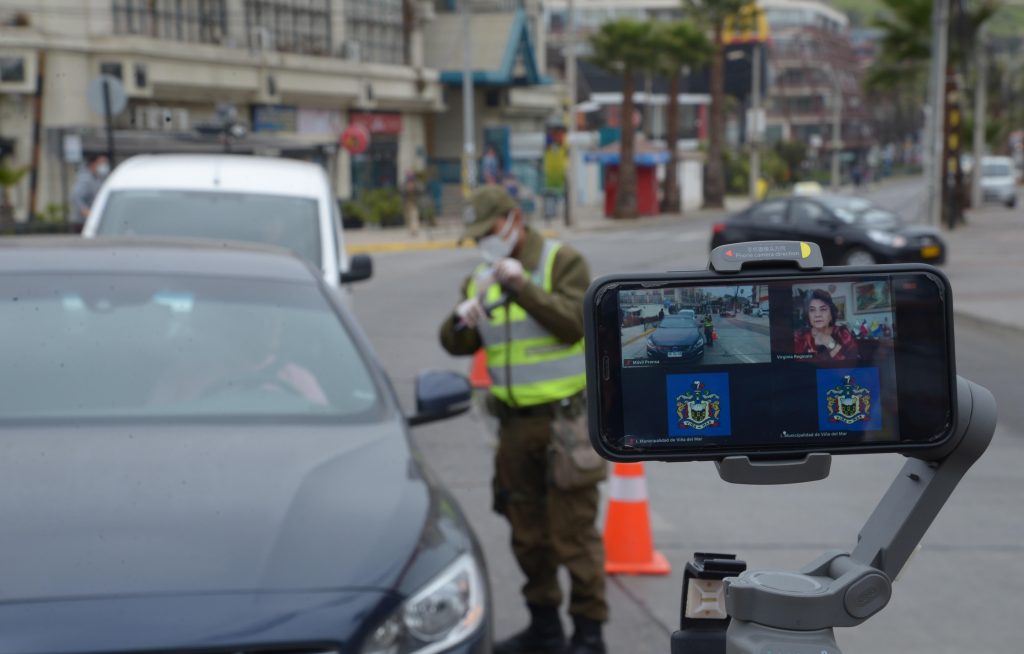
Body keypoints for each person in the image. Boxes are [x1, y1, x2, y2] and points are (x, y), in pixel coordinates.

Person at [440, 186, 607, 654]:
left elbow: (575, 322)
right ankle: (545, 629)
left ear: (513, 219)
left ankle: (590, 635)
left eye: (487, 231)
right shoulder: (480, 277)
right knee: (527, 535)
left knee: (573, 534)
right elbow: (454, 343)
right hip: (513, 427)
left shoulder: (561, 261)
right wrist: (460, 320)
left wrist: (523, 287)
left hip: (566, 425)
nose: (482, 243)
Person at [793, 289, 859, 360]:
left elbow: (852, 365)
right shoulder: (799, 336)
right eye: (812, 310)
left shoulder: (842, 333)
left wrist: (829, 342)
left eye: (823, 309)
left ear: (831, 314)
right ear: (808, 316)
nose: (817, 314)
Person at [70, 154, 110, 233]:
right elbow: (76, 197)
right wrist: (86, 212)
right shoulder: (85, 179)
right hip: (82, 223)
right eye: (102, 162)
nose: (104, 165)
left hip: (92, 221)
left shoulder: (97, 178)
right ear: (93, 163)